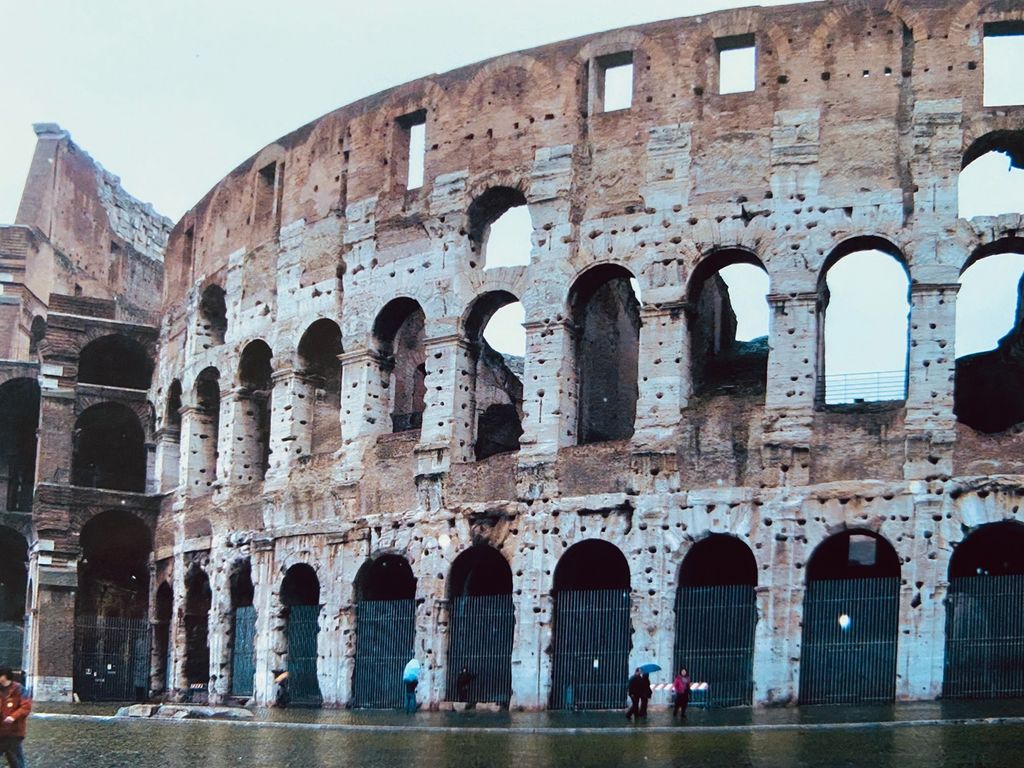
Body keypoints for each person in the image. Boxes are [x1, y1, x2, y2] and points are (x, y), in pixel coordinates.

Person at [0, 667, 30, 768]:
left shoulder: (19, 689)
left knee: (16, 761)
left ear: (4, 676)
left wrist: (13, 717)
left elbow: (25, 707)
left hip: (14, 733)